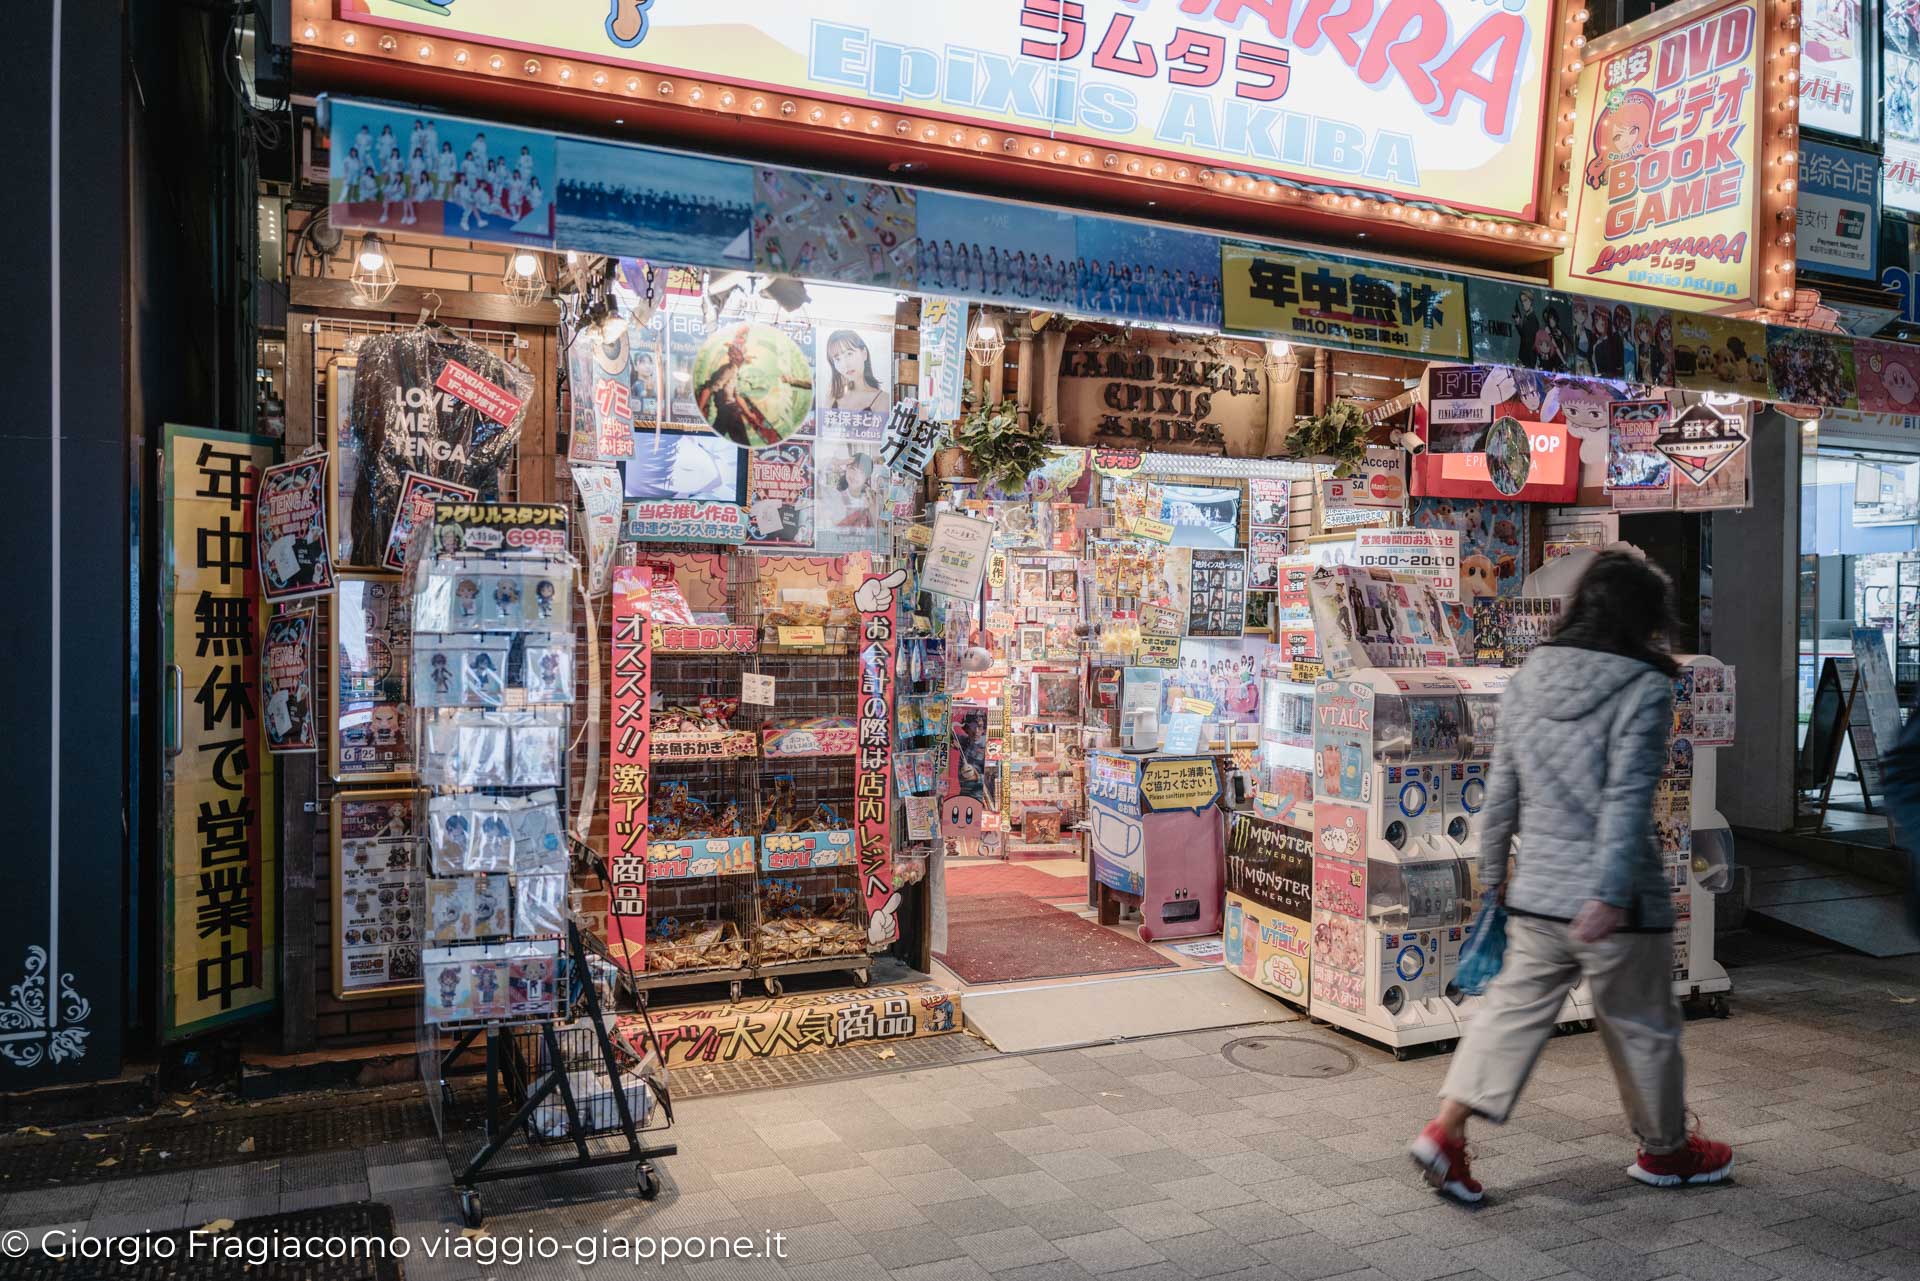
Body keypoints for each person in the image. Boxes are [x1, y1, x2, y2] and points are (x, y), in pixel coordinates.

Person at [1409, 552, 1732, 1203]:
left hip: (1536, 896)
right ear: (1644, 617)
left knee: (1509, 1016)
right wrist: (1610, 892)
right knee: (1643, 1028)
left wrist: (1494, 879)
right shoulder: (1644, 686)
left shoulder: (1531, 675)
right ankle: (1667, 1150)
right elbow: (1626, 797)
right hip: (1618, 905)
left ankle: (1445, 1130)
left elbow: (1501, 790)